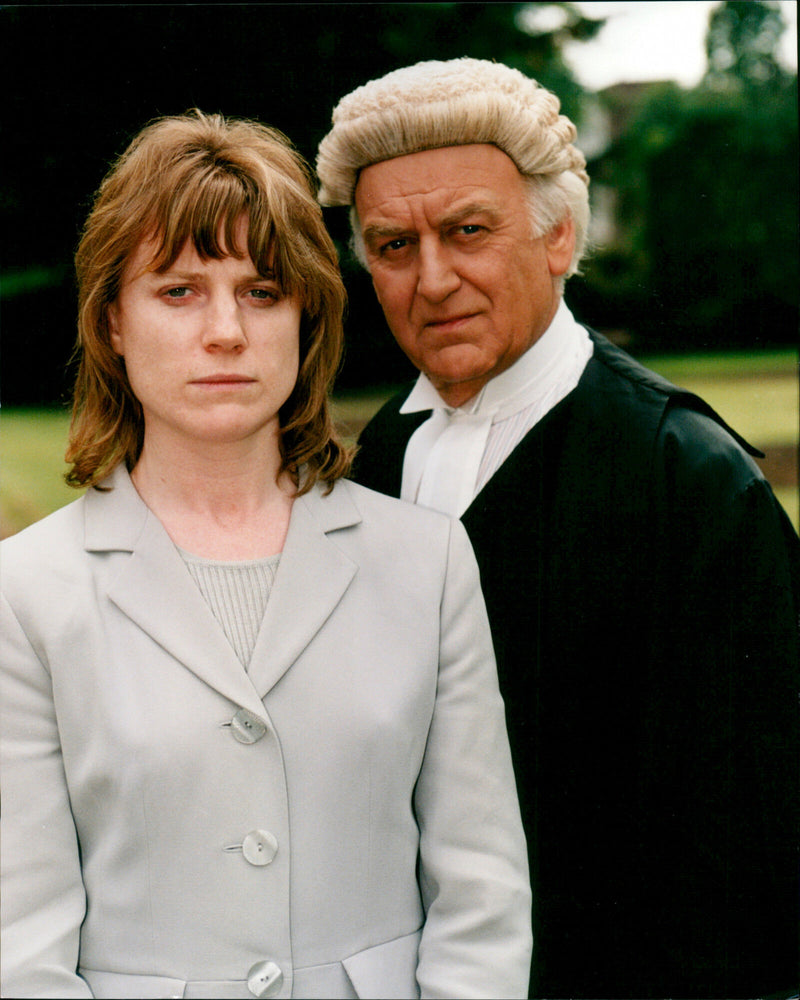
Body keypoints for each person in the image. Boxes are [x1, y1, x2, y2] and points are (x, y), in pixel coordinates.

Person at [0, 110, 533, 1000]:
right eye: (178, 291)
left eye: (260, 292)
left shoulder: (429, 562)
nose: (225, 331)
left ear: (306, 317)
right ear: (113, 324)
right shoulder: (26, 593)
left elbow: (481, 901)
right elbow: (22, 945)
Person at [316, 58, 800, 999]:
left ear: (557, 236)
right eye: (393, 245)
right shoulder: (371, 465)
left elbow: (759, 868)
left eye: (468, 232)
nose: (434, 278)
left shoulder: (690, 482)